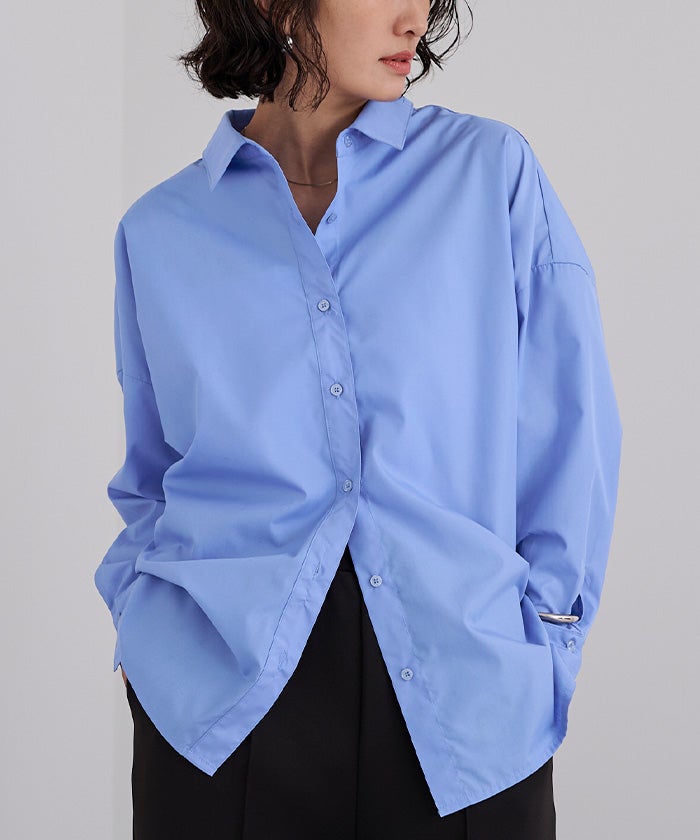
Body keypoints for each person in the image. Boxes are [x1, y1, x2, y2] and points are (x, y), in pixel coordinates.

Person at [94, 1, 623, 838]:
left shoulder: (489, 174)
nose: (416, 18)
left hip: (464, 696)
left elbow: (570, 425)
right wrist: (143, 629)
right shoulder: (161, 230)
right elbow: (153, 472)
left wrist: (548, 646)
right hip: (221, 700)